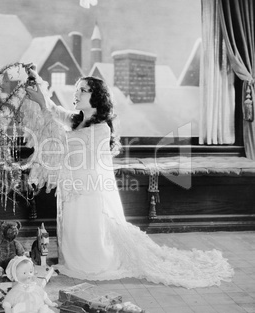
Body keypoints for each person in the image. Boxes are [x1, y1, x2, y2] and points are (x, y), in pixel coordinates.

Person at [23, 67, 234, 289]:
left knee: (86, 232)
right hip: (72, 186)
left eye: (83, 90)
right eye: (77, 89)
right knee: (71, 228)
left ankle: (91, 263)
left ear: (96, 97)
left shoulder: (101, 128)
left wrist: (43, 107)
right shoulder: (77, 120)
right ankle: (74, 260)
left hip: (87, 190)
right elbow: (56, 111)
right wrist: (38, 86)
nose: (77, 94)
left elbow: (65, 141)